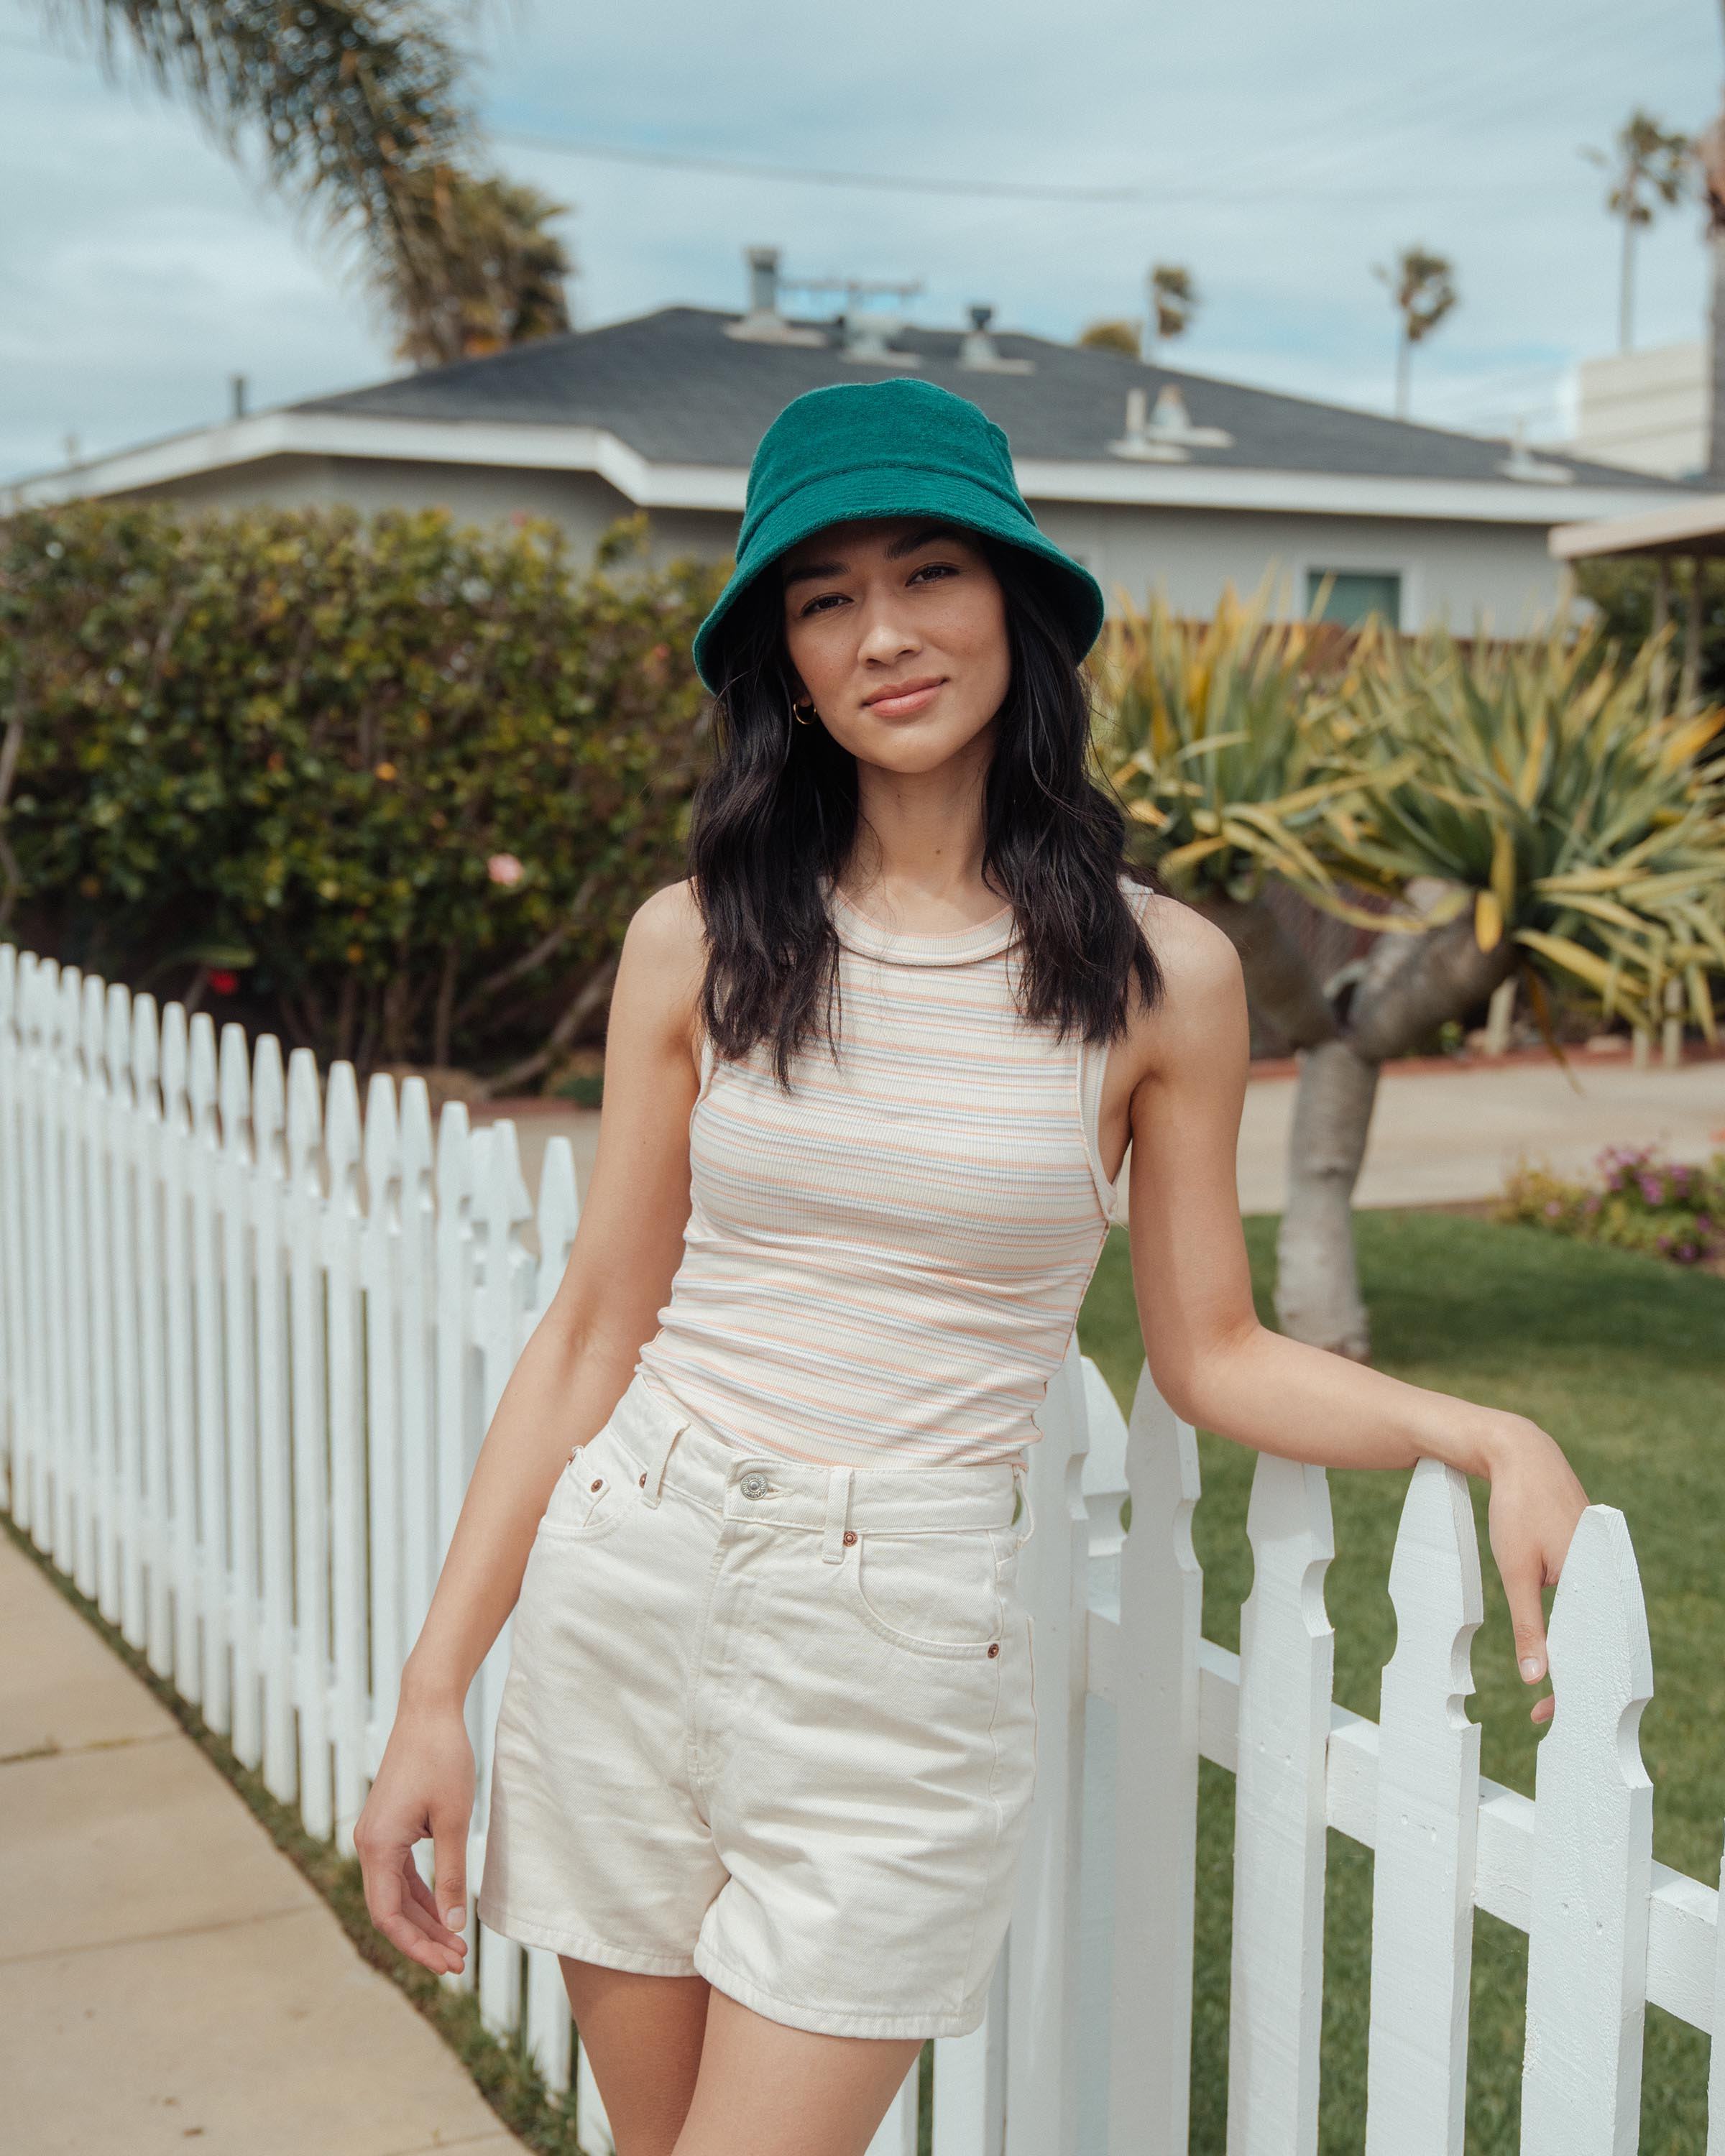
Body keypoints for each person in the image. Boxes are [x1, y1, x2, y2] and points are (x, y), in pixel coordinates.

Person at [354, 377, 1588, 2156]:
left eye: (929, 573)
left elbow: (1213, 1351)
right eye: (825, 597)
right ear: (783, 658)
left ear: (1016, 600)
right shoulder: (692, 944)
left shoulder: (1164, 976)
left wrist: (1478, 1432)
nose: (886, 634)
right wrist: (429, 1697)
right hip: (629, 1586)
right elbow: (593, 1329)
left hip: (902, 1639)